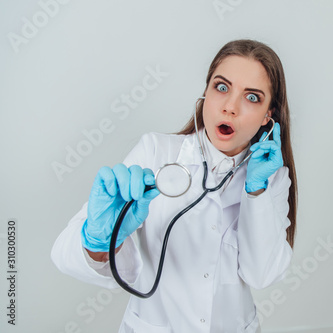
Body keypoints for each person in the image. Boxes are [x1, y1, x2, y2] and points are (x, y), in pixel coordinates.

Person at [51, 39, 298, 333]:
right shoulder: (156, 153)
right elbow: (63, 256)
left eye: (252, 98)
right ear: (205, 94)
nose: (230, 107)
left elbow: (262, 275)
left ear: (268, 116)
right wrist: (99, 240)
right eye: (221, 88)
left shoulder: (272, 179)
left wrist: (256, 192)